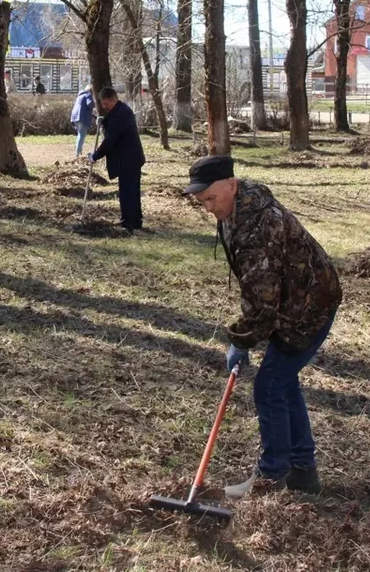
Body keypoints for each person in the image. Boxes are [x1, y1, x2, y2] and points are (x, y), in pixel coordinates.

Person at [184, 155, 342, 498]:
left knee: (269, 387)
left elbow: (262, 297)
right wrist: (248, 336)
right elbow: (256, 287)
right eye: (202, 202)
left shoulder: (259, 225)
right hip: (293, 302)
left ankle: (272, 477)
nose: (209, 208)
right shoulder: (236, 207)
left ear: (231, 183)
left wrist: (241, 341)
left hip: (308, 306)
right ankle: (303, 471)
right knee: (282, 384)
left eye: (212, 198)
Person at [90, 87, 145, 231]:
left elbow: (110, 140)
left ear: (114, 100)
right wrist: (103, 122)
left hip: (128, 159)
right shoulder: (121, 110)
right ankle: (135, 220)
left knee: (128, 191)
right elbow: (112, 123)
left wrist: (96, 156)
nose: (104, 107)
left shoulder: (121, 114)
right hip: (130, 158)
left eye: (107, 104)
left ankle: (128, 222)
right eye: (103, 104)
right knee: (132, 190)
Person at [70, 85, 96, 158]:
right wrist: (95, 104)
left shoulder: (80, 96)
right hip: (82, 117)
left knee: (80, 134)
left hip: (75, 117)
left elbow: (83, 108)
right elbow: (90, 104)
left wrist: (94, 116)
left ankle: (79, 150)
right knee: (81, 135)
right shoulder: (88, 94)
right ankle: (77, 153)